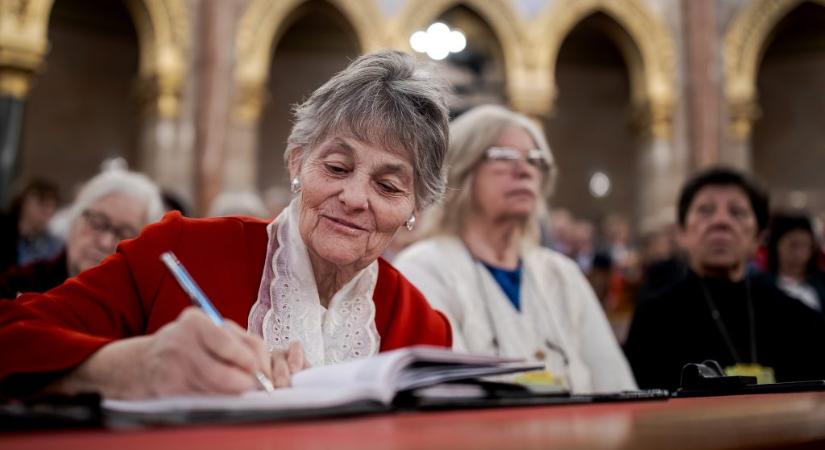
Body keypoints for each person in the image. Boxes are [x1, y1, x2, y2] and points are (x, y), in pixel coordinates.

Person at [0, 51, 452, 399]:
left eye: (389, 186)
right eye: (336, 167)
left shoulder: (424, 329)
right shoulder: (178, 253)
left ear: (417, 206)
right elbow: (11, 335)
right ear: (297, 161)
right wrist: (129, 367)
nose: (354, 198)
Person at [394, 105, 636, 393]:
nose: (523, 170)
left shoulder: (562, 273)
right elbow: (447, 396)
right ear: (462, 172)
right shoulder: (423, 268)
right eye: (503, 156)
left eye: (534, 160)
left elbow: (616, 385)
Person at [625, 168, 825, 390]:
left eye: (737, 212)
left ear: (759, 237)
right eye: (705, 210)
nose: (721, 221)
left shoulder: (799, 320)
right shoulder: (653, 319)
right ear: (682, 232)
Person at [0, 169, 164, 299]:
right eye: (97, 223)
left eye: (125, 234)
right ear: (74, 220)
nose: (105, 242)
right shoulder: (17, 286)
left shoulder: (141, 317)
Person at [763, 212, 825, 314]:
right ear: (776, 246)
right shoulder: (761, 286)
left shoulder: (821, 284)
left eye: (805, 246)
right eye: (793, 245)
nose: (799, 253)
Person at [0, 179, 62, 272]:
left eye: (53, 206)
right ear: (26, 202)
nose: (49, 212)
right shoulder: (5, 227)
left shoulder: (51, 243)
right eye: (43, 204)